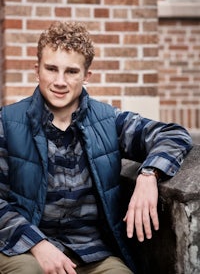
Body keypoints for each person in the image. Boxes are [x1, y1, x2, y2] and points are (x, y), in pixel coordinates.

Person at [0, 21, 192, 274]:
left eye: (71, 71)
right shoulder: (7, 122)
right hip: (24, 247)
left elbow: (173, 134)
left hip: (91, 252)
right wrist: (38, 244)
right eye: (51, 69)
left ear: (86, 76)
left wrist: (149, 175)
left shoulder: (108, 121)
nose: (60, 81)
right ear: (37, 71)